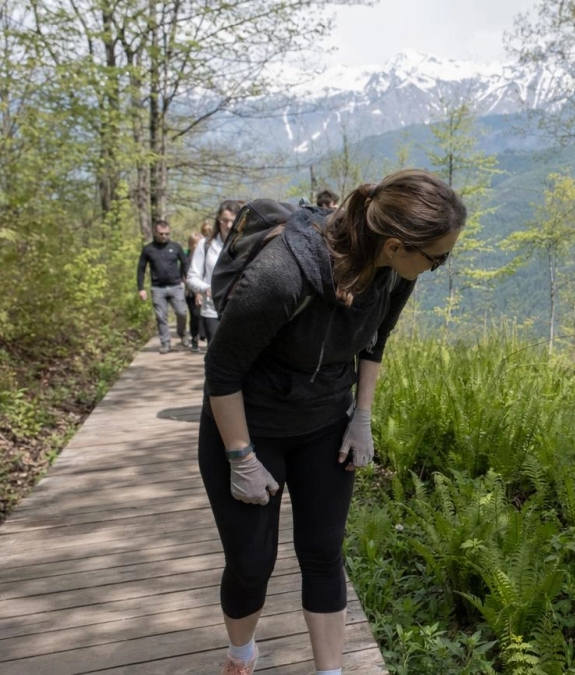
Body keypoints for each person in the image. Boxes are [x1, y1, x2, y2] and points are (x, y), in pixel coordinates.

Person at [198, 169, 465, 675]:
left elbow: (374, 342)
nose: (438, 267)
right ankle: (242, 653)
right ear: (394, 244)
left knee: (323, 553)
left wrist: (360, 416)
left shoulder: (393, 273)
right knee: (252, 564)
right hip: (248, 425)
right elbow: (222, 368)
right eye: (437, 258)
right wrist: (240, 456)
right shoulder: (285, 272)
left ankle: (330, 672)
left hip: (323, 421)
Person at [187, 200, 239, 352]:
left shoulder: (246, 244)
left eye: (232, 221)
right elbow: (192, 276)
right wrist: (206, 288)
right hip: (213, 309)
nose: (228, 225)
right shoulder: (205, 245)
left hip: (240, 309)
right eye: (224, 220)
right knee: (217, 354)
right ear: (218, 219)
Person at [137, 219, 191, 354]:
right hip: (157, 288)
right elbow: (141, 269)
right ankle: (165, 343)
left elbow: (185, 263)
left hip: (176, 286)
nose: (164, 236)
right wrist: (141, 288)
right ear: (155, 232)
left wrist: (188, 280)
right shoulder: (148, 249)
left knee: (182, 312)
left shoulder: (176, 247)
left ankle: (182, 333)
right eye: (161, 234)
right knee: (161, 317)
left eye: (167, 234)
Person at [185, 231, 205, 353]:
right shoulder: (187, 257)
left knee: (206, 316)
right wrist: (196, 291)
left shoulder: (206, 254)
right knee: (195, 316)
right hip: (191, 292)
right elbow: (185, 274)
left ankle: (206, 337)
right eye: (197, 243)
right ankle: (194, 340)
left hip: (206, 290)